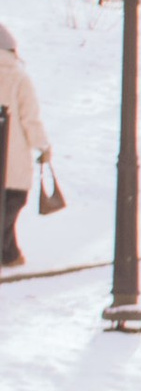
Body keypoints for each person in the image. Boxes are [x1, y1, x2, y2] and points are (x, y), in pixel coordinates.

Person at [0, 25, 55, 269]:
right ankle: (9, 254)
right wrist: (43, 146)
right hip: (12, 158)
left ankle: (10, 254)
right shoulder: (19, 76)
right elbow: (29, 119)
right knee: (13, 202)